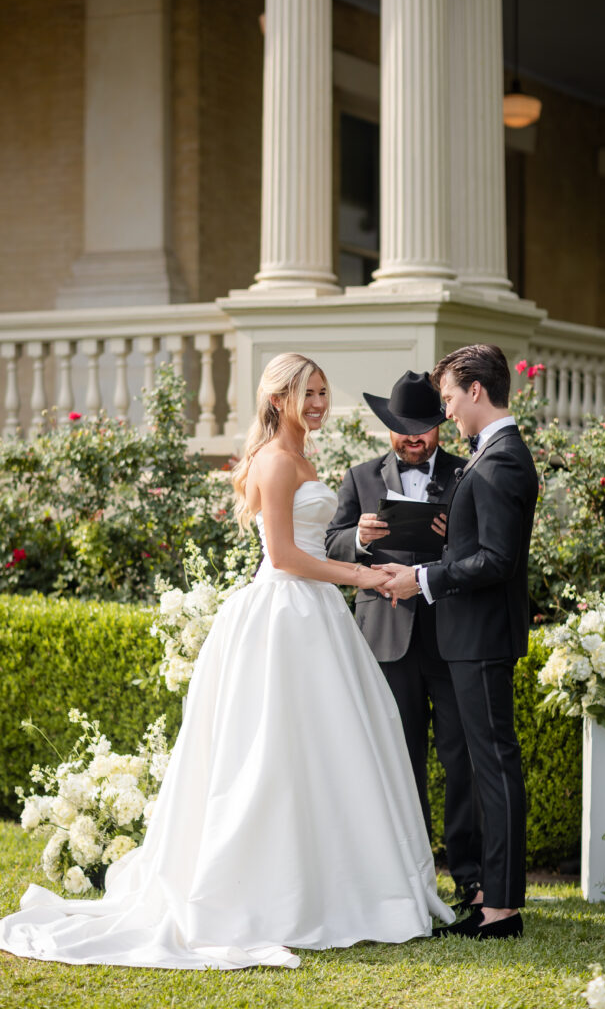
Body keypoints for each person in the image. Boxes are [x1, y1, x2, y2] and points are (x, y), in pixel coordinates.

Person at [0, 353, 454, 971]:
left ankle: (335, 884)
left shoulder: (304, 457)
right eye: (308, 393)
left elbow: (314, 543)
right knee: (268, 755)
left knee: (327, 752)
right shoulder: (272, 460)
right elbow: (286, 556)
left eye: (323, 392)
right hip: (282, 615)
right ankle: (265, 896)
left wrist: (354, 567)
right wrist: (361, 575)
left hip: (316, 615)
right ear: (278, 400)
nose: (320, 404)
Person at [380, 345, 538, 941]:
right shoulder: (493, 456)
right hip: (471, 637)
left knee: (494, 767)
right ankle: (494, 901)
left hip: (478, 639)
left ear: (476, 390)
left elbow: (498, 560)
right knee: (487, 763)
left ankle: (501, 909)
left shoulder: (500, 461)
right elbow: (486, 544)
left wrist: (424, 576)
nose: (444, 409)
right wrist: (453, 537)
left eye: (448, 397)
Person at [325, 370, 481, 907]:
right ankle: (408, 880)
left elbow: (487, 553)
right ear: (388, 426)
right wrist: (359, 539)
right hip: (386, 638)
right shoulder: (360, 477)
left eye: (425, 428)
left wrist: (454, 537)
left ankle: (469, 877)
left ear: (440, 425)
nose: (414, 438)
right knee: (397, 759)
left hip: (451, 634)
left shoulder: (467, 474)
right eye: (403, 429)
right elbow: (328, 544)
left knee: (460, 758)